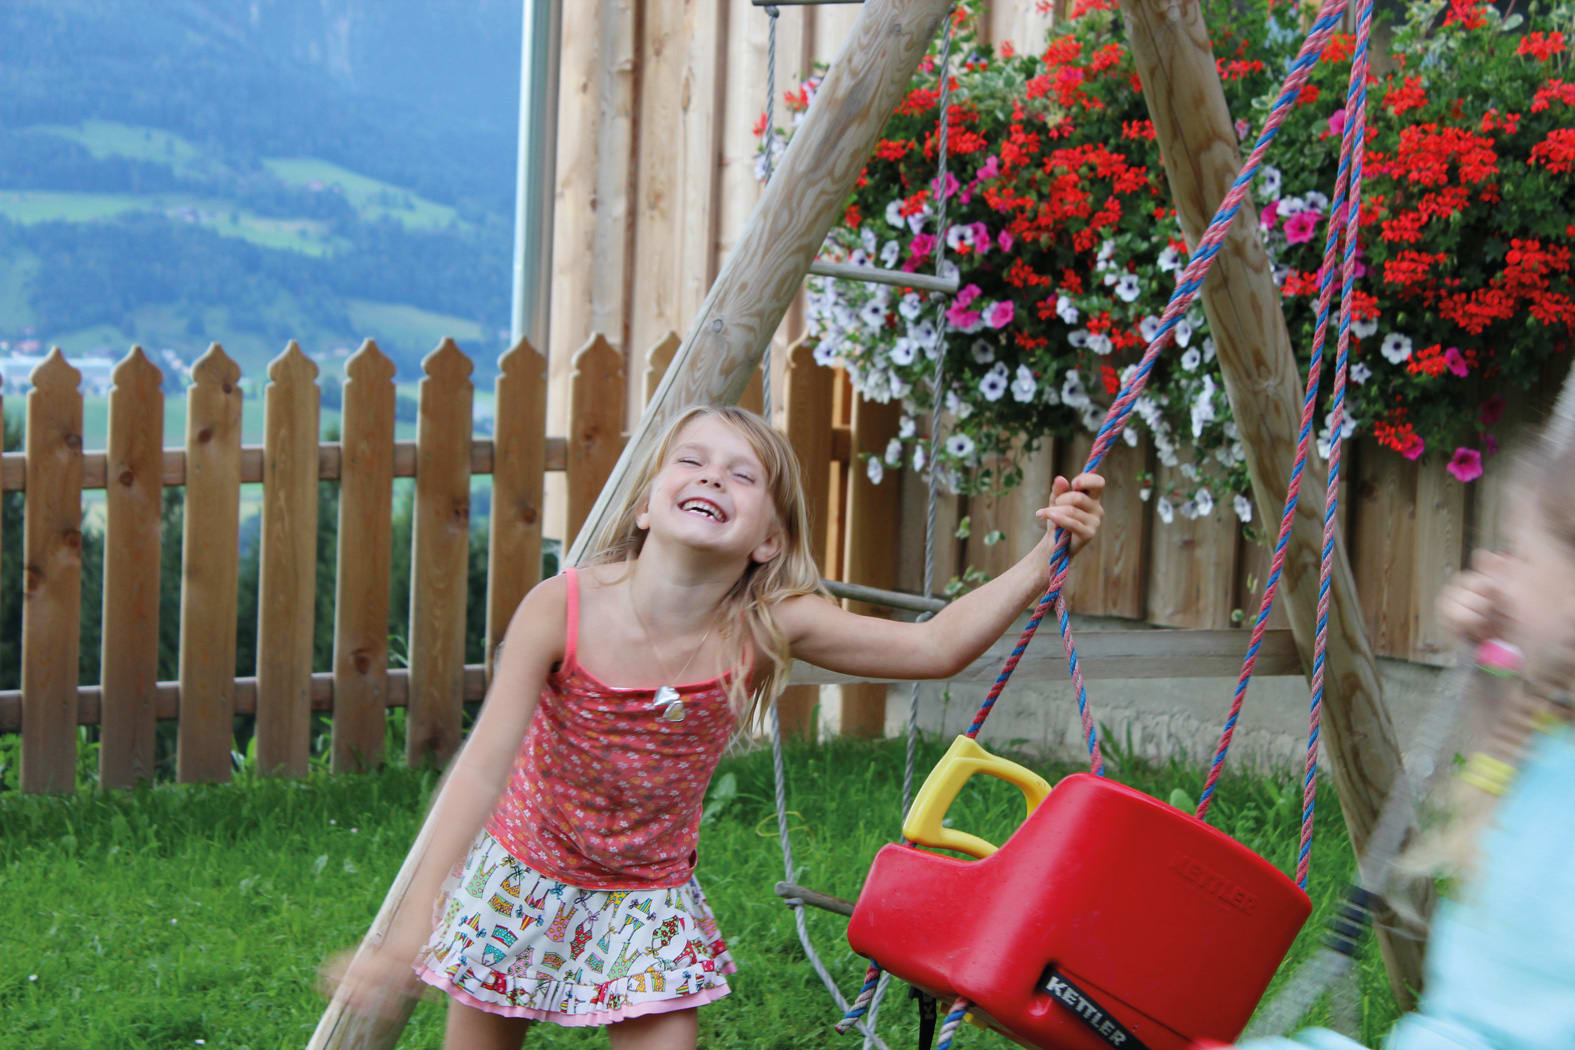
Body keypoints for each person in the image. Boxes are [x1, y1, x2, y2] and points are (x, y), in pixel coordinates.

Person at [327, 404, 1106, 1050]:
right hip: (523, 878)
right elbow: (481, 768)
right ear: (645, 506)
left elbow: (933, 649)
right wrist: (406, 934)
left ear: (768, 540)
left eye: (741, 475)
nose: (710, 477)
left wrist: (1046, 555)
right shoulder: (561, 608)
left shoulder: (769, 622)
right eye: (691, 462)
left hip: (646, 897)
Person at [1241, 412, 1575, 1050]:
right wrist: (1488, 663)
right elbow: (1497, 773)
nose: (1494, 569)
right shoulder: (1548, 740)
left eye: (1523, 555)